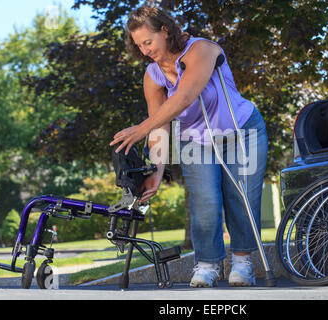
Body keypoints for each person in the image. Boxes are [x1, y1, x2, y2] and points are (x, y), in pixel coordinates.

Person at [109, 6, 268, 287]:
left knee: (241, 197)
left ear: (165, 31)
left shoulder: (202, 49)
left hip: (242, 130)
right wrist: (156, 170)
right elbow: (159, 125)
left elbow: (184, 97)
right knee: (205, 202)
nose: (145, 50)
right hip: (194, 139)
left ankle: (243, 263)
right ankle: (207, 264)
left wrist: (139, 129)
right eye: (139, 46)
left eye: (148, 42)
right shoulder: (153, 74)